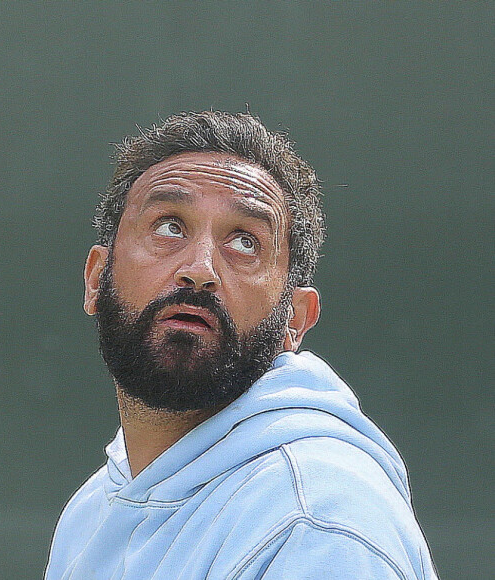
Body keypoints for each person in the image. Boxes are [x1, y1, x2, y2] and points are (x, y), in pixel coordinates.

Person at [45, 111, 438, 579]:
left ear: (295, 319)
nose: (200, 267)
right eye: (169, 226)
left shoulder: (313, 522)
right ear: (95, 279)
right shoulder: (91, 514)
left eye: (245, 242)